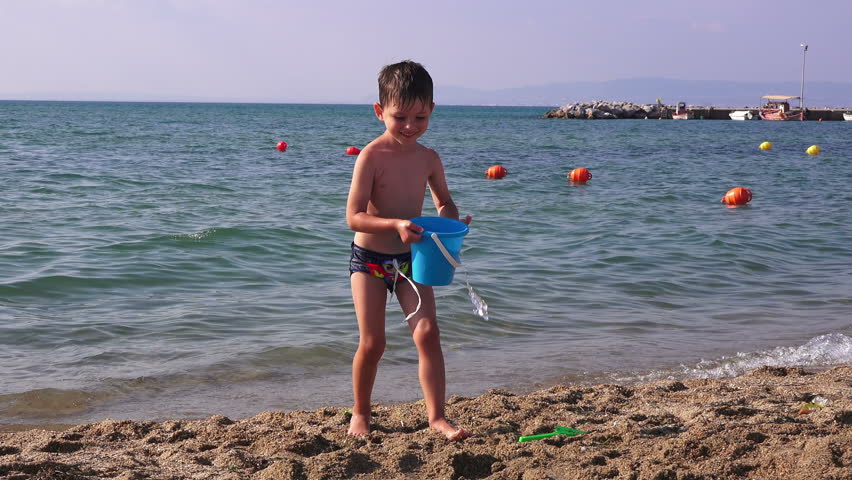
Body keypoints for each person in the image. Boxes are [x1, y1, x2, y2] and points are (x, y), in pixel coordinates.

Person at [346, 60, 471, 441]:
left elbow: (444, 202)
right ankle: (360, 414)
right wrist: (395, 225)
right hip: (369, 262)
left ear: (432, 110)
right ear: (379, 111)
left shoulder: (428, 158)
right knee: (373, 342)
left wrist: (452, 223)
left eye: (420, 116)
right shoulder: (371, 156)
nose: (410, 126)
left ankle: (436, 417)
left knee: (428, 333)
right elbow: (353, 217)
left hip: (412, 259)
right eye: (400, 117)